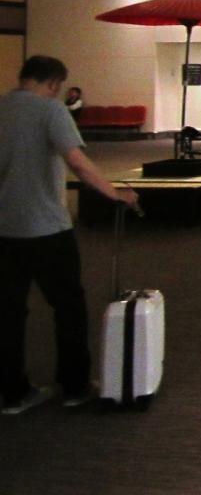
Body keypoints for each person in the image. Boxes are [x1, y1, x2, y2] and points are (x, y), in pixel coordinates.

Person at [0, 55, 140, 415]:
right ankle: (75, 386)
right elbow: (77, 161)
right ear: (53, 83)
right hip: (47, 228)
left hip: (5, 229)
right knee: (68, 307)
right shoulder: (51, 110)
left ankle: (12, 392)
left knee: (9, 312)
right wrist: (114, 193)